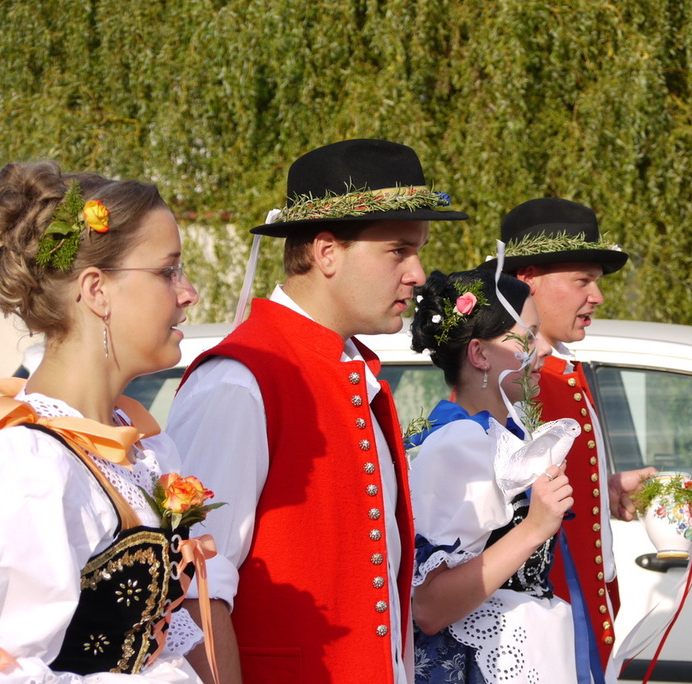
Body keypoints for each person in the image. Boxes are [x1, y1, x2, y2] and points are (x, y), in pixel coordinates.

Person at [167, 139, 468, 684]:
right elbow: (194, 590)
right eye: (399, 250)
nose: (419, 273)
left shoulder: (350, 369)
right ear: (327, 252)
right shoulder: (239, 381)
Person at [0, 161, 211, 682]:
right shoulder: (15, 467)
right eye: (168, 271)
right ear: (96, 290)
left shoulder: (143, 450)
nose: (188, 292)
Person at [482, 197, 658, 678]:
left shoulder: (558, 369)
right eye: (582, 280)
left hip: (583, 610)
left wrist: (604, 491)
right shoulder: (511, 380)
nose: (597, 296)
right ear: (527, 281)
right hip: (550, 619)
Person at [406, 269, 584, 682]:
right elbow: (428, 607)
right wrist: (533, 529)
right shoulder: (458, 445)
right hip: (481, 664)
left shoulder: (503, 435)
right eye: (528, 336)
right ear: (480, 354)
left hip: (527, 651)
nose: (543, 349)